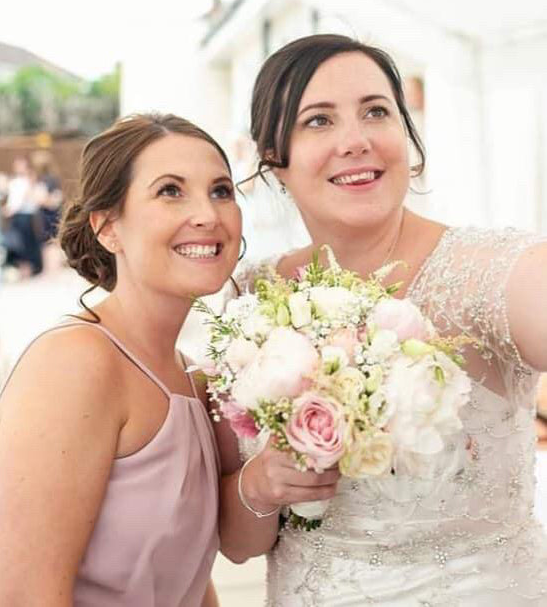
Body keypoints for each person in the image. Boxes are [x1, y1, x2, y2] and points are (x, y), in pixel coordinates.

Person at [217, 34, 547, 605]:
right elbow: (240, 544)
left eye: (376, 111)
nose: (356, 140)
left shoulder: (498, 273)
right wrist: (262, 482)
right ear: (275, 162)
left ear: (408, 138)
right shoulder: (252, 297)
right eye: (318, 121)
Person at [0, 113, 241, 606]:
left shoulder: (194, 377)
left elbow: (185, 577)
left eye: (220, 190)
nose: (208, 214)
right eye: (170, 191)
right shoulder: (74, 364)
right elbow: (23, 599)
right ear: (108, 227)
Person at [3, 155, 43, 276]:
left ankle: (30, 268)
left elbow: (23, 199)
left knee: (27, 243)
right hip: (16, 216)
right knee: (17, 244)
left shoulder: (29, 180)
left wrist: (11, 209)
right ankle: (21, 268)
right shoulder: (14, 181)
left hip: (26, 216)